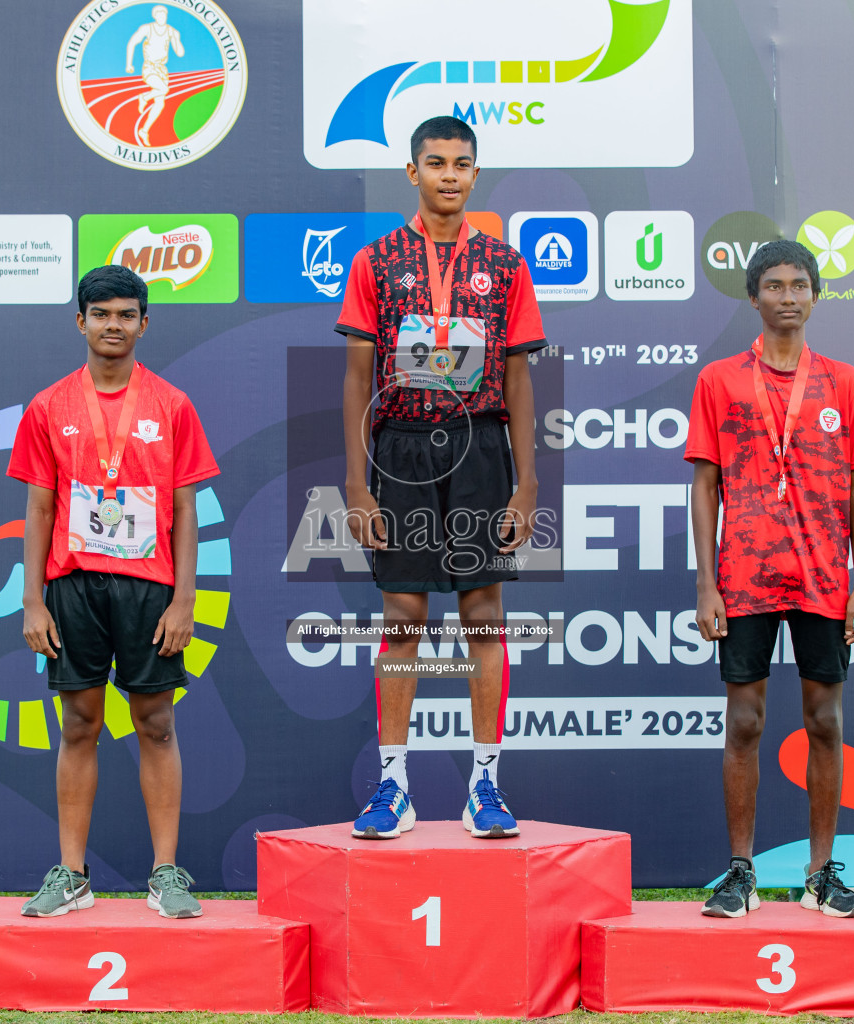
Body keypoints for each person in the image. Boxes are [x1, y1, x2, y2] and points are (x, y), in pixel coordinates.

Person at [336, 115, 546, 840]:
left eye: (461, 163)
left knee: (482, 619)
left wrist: (526, 483)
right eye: (435, 163)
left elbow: (518, 379)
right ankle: (393, 785)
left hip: (481, 444)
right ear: (412, 172)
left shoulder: (508, 264)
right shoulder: (378, 260)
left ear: (475, 173)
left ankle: (486, 785)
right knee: (403, 621)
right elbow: (357, 376)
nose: (449, 175)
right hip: (400, 448)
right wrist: (358, 486)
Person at [7, 264, 219, 918]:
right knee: (79, 724)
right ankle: (71, 874)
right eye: (101, 315)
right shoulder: (49, 407)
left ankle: (166, 874)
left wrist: (185, 599)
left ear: (144, 324)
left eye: (126, 315)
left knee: (155, 723)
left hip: (150, 589)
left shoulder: (172, 404)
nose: (113, 326)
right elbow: (39, 510)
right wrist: (33, 600)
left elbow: (186, 510)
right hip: (73, 587)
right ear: (80, 322)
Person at [685, 240, 854, 918]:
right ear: (754, 297)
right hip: (743, 578)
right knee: (744, 720)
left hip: (825, 578)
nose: (789, 295)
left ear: (816, 295)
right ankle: (740, 873)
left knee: (824, 719)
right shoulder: (719, 381)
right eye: (775, 285)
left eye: (801, 284)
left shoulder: (845, 383)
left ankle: (821, 874)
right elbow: (704, 486)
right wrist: (707, 585)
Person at [125, 5, 184, 146]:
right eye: (159, 14)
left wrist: (176, 38)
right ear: (155, 16)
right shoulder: (147, 28)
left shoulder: (171, 31)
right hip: (149, 67)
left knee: (160, 104)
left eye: (164, 14)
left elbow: (180, 53)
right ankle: (144, 97)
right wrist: (129, 64)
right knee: (163, 89)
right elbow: (132, 43)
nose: (162, 17)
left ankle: (144, 131)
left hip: (162, 70)